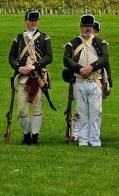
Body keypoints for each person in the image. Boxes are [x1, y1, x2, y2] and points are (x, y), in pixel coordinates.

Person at [63, 14, 109, 147]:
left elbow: (105, 58)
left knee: (96, 112)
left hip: (95, 81)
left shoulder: (101, 43)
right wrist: (79, 69)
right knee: (81, 112)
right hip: (79, 81)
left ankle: (94, 140)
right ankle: (83, 140)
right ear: (81, 27)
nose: (88, 29)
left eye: (90, 26)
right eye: (85, 26)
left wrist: (91, 67)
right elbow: (66, 59)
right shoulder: (73, 43)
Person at [8, 10, 53, 145]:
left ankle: (35, 137)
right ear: (25, 21)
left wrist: (35, 66)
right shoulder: (18, 38)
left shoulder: (44, 38)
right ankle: (26, 135)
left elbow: (49, 57)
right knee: (22, 109)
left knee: (37, 107)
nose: (34, 22)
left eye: (36, 20)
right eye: (31, 20)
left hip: (38, 77)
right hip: (22, 77)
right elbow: (11, 57)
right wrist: (19, 68)